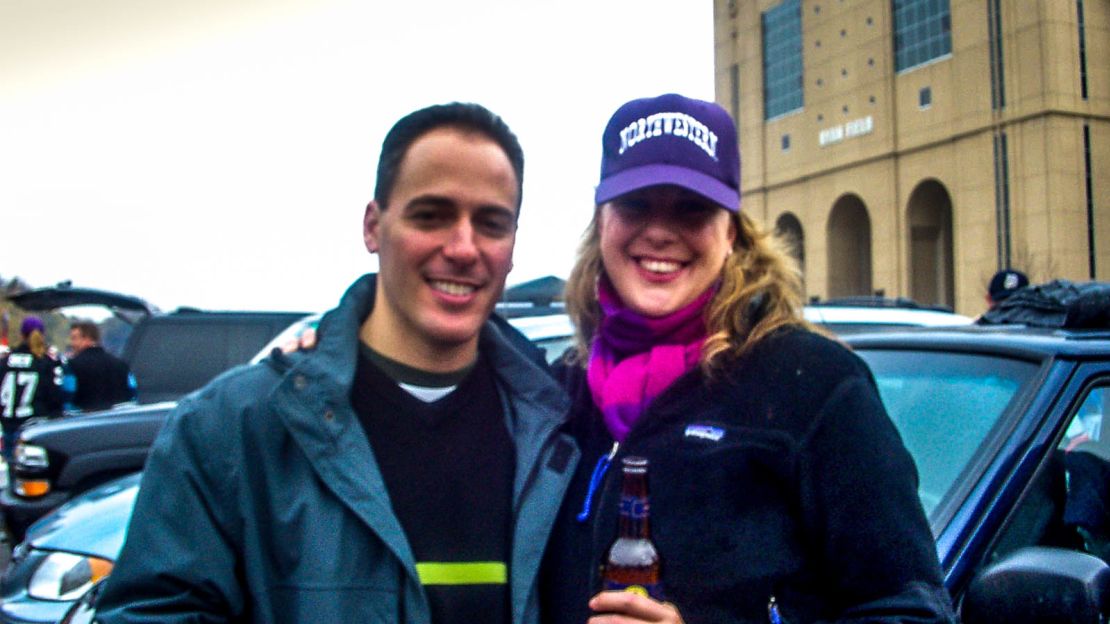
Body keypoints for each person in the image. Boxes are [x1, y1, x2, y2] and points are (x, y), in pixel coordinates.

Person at [95, 102, 579, 623]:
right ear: (373, 227)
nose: (463, 248)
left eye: (490, 223)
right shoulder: (231, 431)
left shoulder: (562, 430)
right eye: (431, 216)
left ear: (512, 247)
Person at [540, 94, 956, 623]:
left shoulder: (816, 387)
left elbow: (911, 613)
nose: (661, 231)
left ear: (732, 230)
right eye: (636, 204)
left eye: (692, 208)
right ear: (602, 222)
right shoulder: (556, 397)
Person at [0, 316, 64, 460]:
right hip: (35, 426)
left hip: (8, 424)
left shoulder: (5, 362)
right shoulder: (45, 363)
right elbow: (55, 398)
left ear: (21, 335)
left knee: (13, 472)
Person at [64, 320, 136, 411]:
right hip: (117, 420)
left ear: (87, 338)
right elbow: (133, 395)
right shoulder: (121, 365)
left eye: (74, 338)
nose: (72, 343)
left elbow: (67, 401)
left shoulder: (72, 366)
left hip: (84, 421)